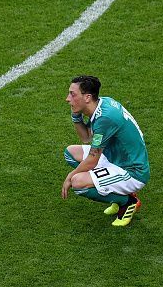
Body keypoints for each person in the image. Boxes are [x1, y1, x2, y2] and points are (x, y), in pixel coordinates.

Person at [62, 75, 150, 227]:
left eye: (72, 94)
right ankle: (118, 191)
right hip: (114, 157)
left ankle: (128, 201)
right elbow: (87, 138)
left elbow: (92, 159)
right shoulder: (103, 104)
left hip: (132, 171)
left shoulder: (105, 118)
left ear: (87, 97)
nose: (67, 99)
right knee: (70, 153)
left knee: (77, 183)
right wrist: (76, 116)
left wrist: (70, 176)